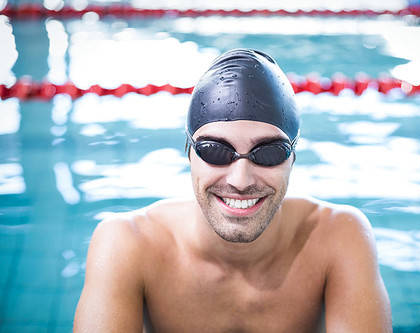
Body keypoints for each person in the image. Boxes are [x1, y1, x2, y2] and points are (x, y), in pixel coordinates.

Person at [74, 48, 392, 332]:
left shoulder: (339, 237)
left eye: (268, 152)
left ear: (292, 158)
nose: (240, 180)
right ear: (188, 152)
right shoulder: (128, 244)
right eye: (215, 151)